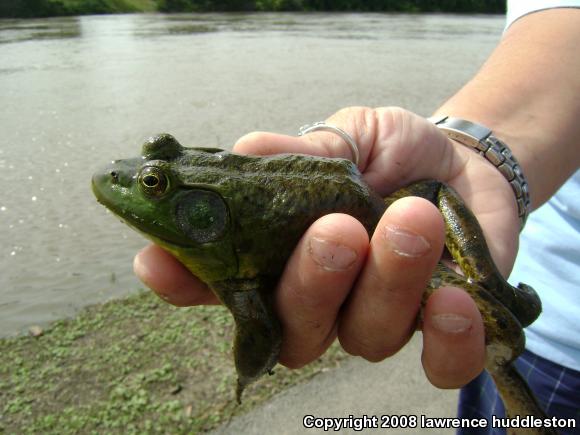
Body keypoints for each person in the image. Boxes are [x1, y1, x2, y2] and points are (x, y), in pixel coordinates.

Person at [133, 3, 580, 433]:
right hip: (553, 333)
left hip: (543, 324)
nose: (127, 177)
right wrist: (478, 159)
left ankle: (502, 300)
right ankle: (503, 299)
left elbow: (260, 335)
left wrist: (247, 374)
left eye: (153, 183)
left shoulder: (233, 269)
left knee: (494, 326)